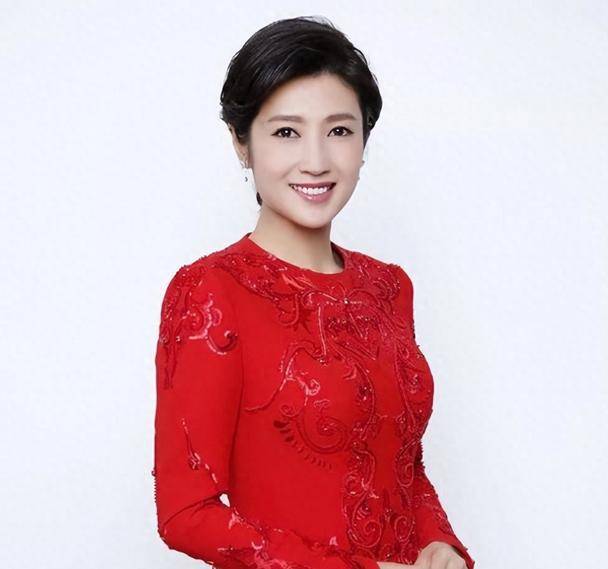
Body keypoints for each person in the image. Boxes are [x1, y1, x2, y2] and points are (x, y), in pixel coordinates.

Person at [152, 15, 475, 569]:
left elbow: (401, 463)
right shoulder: (210, 292)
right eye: (286, 132)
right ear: (241, 143)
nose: (317, 161)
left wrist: (439, 544)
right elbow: (186, 513)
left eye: (339, 131)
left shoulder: (388, 287)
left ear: (364, 140)